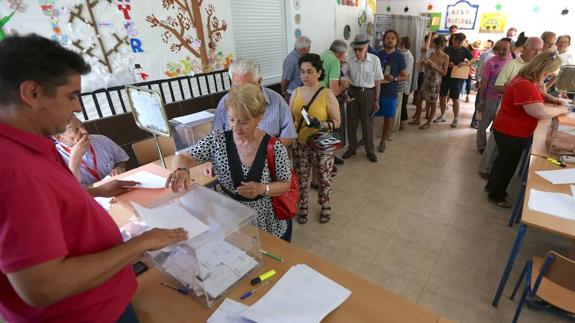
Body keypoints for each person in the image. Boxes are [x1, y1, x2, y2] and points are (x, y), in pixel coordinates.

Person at [0, 34, 187, 322]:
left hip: (105, 296)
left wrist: (95, 191)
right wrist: (140, 244)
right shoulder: (12, 171)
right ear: (32, 93)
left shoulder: (30, 141)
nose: (77, 108)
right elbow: (43, 287)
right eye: (71, 96)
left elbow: (46, 204)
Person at [168, 84, 293, 241]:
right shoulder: (217, 140)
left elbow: (285, 183)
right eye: (231, 119)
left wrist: (262, 188)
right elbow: (183, 157)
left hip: (266, 220)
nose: (235, 128)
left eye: (243, 122)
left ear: (259, 118)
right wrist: (181, 170)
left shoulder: (274, 147)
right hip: (230, 216)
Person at [486, 52, 568, 207]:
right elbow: (539, 112)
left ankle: (491, 187)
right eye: (549, 72)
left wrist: (550, 99)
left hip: (507, 128)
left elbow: (537, 95)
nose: (549, 75)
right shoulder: (525, 84)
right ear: (542, 69)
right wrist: (562, 110)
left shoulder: (526, 80)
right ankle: (497, 195)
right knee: (507, 164)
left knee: (502, 161)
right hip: (511, 131)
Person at [290, 53, 340, 224]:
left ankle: (325, 206)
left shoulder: (327, 94)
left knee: (324, 177)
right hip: (301, 144)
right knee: (301, 178)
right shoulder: (295, 93)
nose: (305, 75)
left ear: (319, 73)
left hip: (321, 144)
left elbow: (337, 122)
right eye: (302, 71)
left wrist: (321, 124)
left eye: (309, 71)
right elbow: (290, 120)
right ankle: (302, 206)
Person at [213, 59, 297, 147]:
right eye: (236, 87)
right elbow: (216, 138)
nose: (241, 92)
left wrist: (264, 152)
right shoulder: (225, 102)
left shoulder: (277, 101)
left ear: (259, 81)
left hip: (269, 157)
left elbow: (288, 136)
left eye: (247, 87)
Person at [342, 34, 383, 163]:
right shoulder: (349, 60)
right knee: (352, 123)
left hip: (368, 94)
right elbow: (343, 76)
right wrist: (345, 92)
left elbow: (377, 81)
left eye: (360, 49)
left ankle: (370, 150)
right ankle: (352, 148)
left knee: (367, 124)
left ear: (367, 47)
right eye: (355, 50)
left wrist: (376, 100)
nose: (358, 52)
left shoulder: (375, 60)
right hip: (353, 92)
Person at [53, 116, 129, 186]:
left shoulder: (101, 140)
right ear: (59, 137)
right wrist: (76, 157)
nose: (84, 131)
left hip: (117, 188)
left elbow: (121, 161)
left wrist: (119, 168)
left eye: (82, 125)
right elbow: (70, 189)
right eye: (75, 129)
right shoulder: (55, 158)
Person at [475, 39, 513, 153]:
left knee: (497, 126)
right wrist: (481, 101)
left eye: (504, 49)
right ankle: (481, 145)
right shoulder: (491, 62)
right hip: (491, 98)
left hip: (505, 100)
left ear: (510, 49)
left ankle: (491, 149)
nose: (501, 51)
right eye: (498, 49)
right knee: (483, 124)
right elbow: (484, 83)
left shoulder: (513, 61)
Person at [374, 30, 408, 152]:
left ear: (396, 41)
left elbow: (405, 76)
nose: (390, 40)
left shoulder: (400, 56)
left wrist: (395, 78)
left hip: (390, 92)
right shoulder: (378, 55)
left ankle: (383, 140)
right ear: (384, 40)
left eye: (393, 38)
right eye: (388, 38)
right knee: (370, 115)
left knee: (388, 117)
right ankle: (366, 139)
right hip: (375, 91)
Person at [409, 36, 449, 129]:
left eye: (433, 43)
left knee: (432, 103)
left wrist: (434, 66)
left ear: (438, 45)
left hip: (434, 82)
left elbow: (444, 73)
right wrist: (424, 63)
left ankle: (429, 122)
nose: (432, 45)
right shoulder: (432, 54)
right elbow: (427, 66)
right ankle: (417, 119)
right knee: (419, 99)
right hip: (426, 79)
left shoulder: (445, 57)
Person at [320, 40, 348, 167]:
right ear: (340, 53)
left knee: (322, 132)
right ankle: (328, 164)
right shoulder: (335, 61)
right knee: (332, 130)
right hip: (327, 101)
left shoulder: (321, 55)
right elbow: (334, 91)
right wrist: (343, 85)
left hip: (316, 99)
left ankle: (329, 159)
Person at [436, 33, 473, 128]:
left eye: (460, 43)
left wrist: (465, 63)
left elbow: (474, 59)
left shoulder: (465, 50)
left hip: (457, 77)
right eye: (456, 42)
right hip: (445, 75)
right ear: (453, 40)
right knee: (442, 96)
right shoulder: (447, 49)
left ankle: (455, 118)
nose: (458, 44)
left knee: (455, 98)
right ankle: (442, 115)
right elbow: (440, 59)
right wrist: (447, 63)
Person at [281, 36, 311, 102]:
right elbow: (285, 79)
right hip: (292, 94)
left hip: (300, 93)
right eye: (308, 48)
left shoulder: (300, 57)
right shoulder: (291, 60)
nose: (309, 50)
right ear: (303, 49)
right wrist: (284, 92)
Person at [398, 36, 414, 130]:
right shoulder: (403, 54)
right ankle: (399, 122)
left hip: (404, 84)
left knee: (403, 104)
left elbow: (406, 73)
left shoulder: (408, 56)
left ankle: (402, 123)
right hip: (401, 83)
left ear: (403, 45)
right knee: (400, 104)